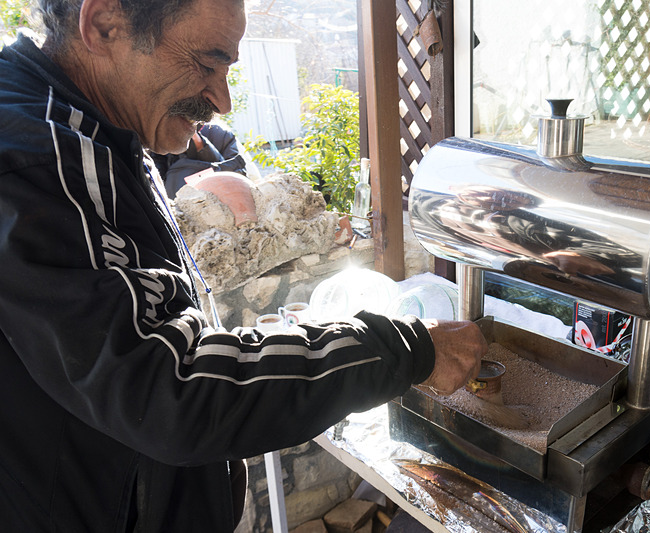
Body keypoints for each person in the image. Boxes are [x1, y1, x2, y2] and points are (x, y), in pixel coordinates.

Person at [0, 0, 486, 531]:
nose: (222, 99)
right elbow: (171, 386)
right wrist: (407, 349)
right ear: (104, 25)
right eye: (207, 63)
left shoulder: (97, 131)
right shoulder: (43, 156)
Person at [150, 121, 262, 198]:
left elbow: (237, 173)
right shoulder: (162, 142)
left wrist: (200, 144)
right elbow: (157, 182)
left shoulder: (219, 133)